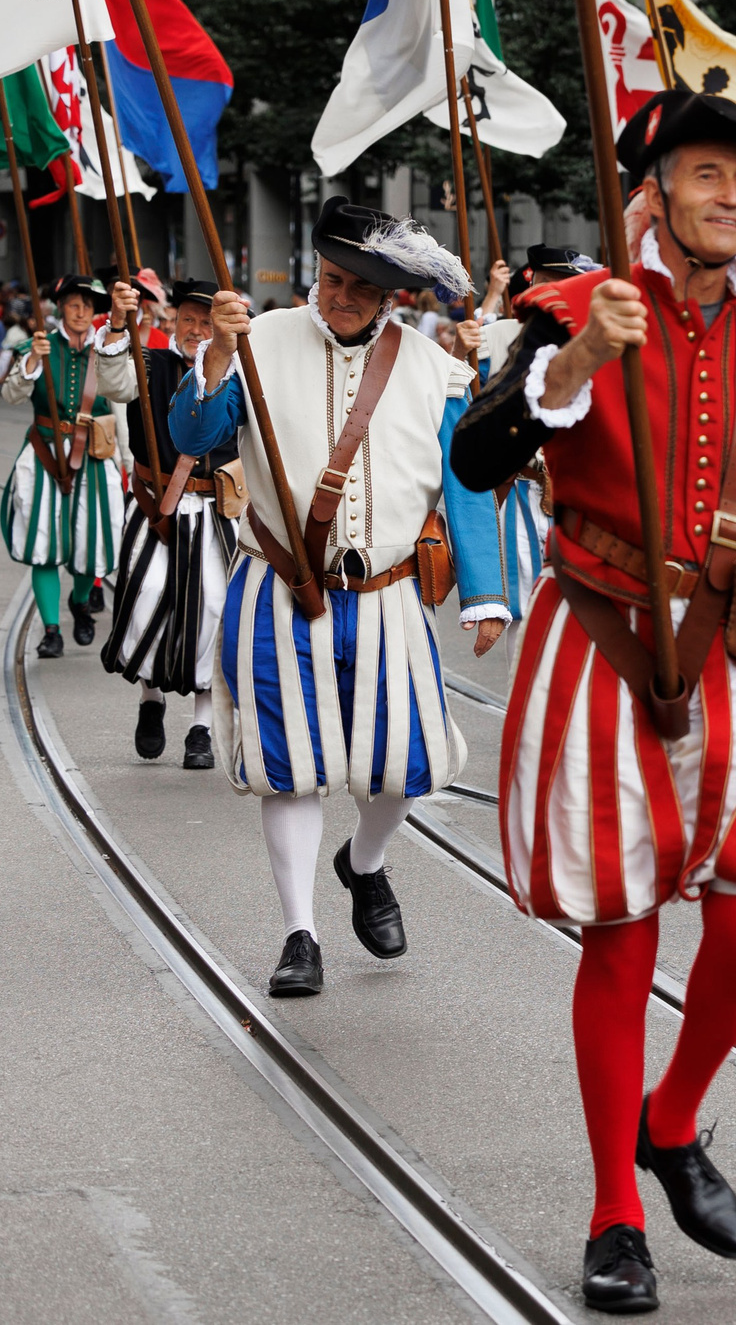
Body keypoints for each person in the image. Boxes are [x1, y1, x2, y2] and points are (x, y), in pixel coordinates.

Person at [448, 90, 736, 1313]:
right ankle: (616, 1216)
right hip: (600, 638)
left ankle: (674, 1118)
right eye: (706, 175)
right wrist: (575, 363)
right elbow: (478, 462)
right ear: (652, 191)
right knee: (621, 928)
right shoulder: (563, 313)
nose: (730, 198)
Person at [165, 199, 509, 1005]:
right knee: (289, 770)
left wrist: (486, 591)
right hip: (278, 587)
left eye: (357, 286)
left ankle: (364, 862)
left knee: (401, 769)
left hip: (389, 597)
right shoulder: (258, 342)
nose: (338, 296)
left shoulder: (433, 368)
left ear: (391, 296)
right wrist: (217, 352)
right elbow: (193, 434)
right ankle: (300, 934)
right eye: (329, 280)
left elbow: (464, 484)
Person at [102, 276, 238, 768]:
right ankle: (151, 699)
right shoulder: (147, 362)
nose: (197, 330)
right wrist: (119, 322)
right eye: (188, 319)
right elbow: (113, 383)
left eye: (206, 321)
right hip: (154, 508)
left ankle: (201, 727)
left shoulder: (238, 375)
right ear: (173, 321)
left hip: (215, 511)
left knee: (215, 614)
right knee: (147, 601)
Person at [3, 273, 140, 658]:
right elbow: (11, 395)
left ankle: (81, 602)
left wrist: (127, 465)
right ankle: (50, 631)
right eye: (74, 304)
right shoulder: (37, 346)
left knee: (90, 545)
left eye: (88, 305)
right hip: (44, 452)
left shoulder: (108, 351)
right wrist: (32, 359)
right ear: (60, 306)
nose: (81, 312)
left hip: (94, 457)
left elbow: (122, 412)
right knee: (43, 544)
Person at [473, 246, 600, 621]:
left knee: (584, 612)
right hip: (522, 492)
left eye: (565, 286)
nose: (553, 294)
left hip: (581, 497)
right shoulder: (497, 335)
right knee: (525, 614)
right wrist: (464, 345)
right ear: (531, 283)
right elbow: (467, 398)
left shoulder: (592, 338)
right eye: (547, 284)